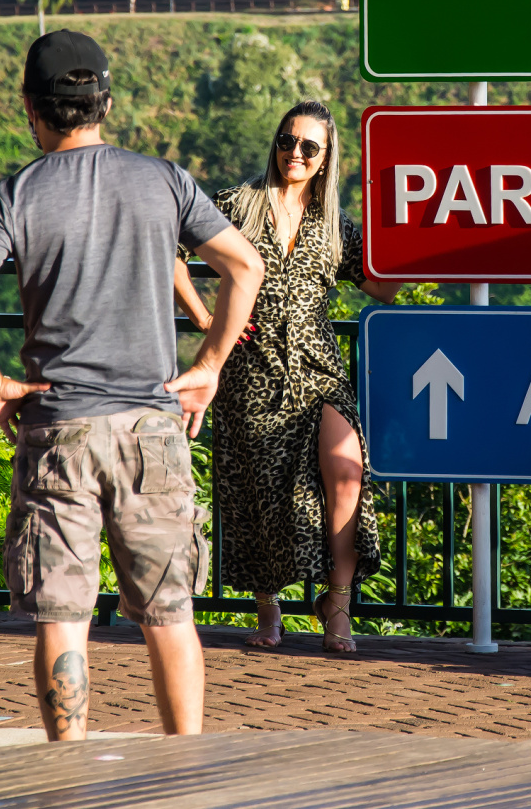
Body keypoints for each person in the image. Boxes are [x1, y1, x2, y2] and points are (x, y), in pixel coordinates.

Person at [0, 30, 264, 739]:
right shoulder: (164, 180)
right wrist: (207, 367)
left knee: (63, 617)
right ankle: (186, 764)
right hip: (151, 427)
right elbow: (245, 267)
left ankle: (69, 768)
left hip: (59, 427)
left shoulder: (16, 194)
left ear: (31, 106)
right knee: (170, 614)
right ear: (105, 102)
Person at [172, 101, 401, 653]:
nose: (293, 153)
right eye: (286, 141)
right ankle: (268, 609)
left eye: (308, 147)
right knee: (260, 493)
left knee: (346, 474)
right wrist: (204, 319)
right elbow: (169, 251)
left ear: (325, 159)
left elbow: (382, 288)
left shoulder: (335, 226)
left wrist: (417, 233)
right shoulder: (235, 206)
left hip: (320, 367)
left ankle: (338, 607)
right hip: (251, 370)